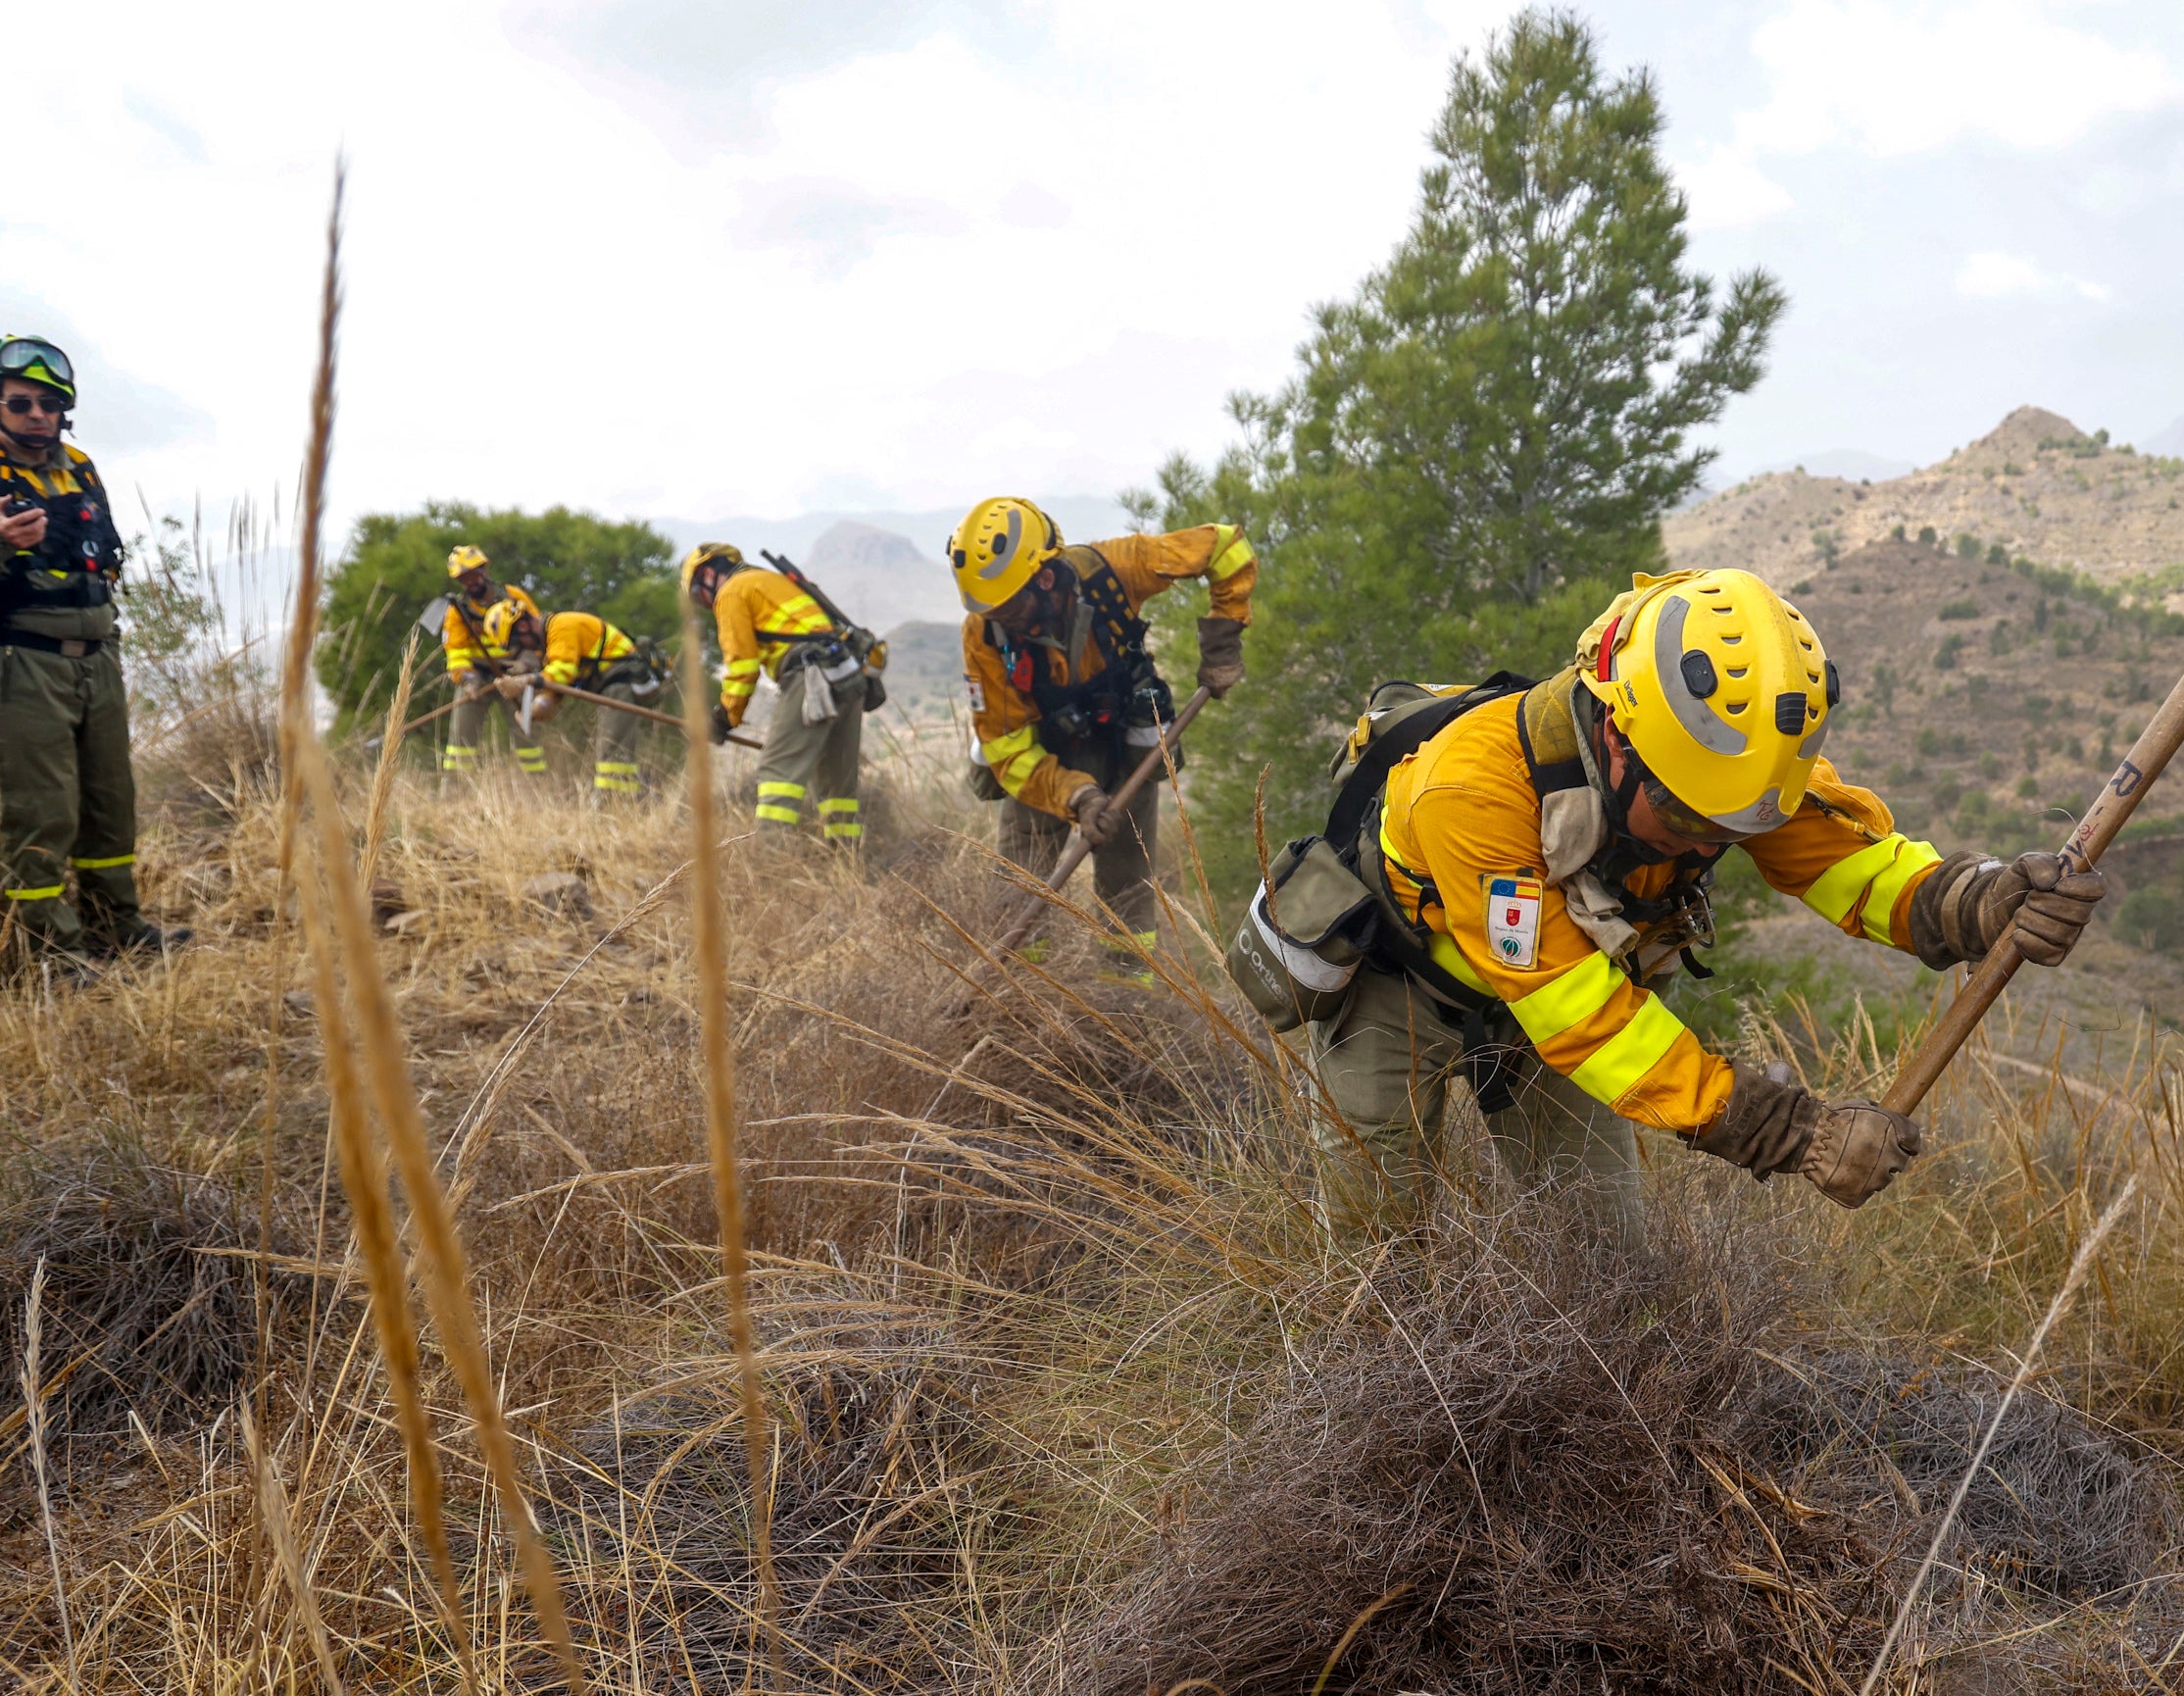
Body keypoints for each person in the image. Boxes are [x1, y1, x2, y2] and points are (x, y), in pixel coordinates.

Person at [1236, 567, 2105, 1230]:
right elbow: (1578, 1013)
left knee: (1604, 1250)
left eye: (1728, 828)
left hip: (1556, 995)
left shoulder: (1731, 761)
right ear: (1619, 737)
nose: (1706, 843)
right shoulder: (1472, 791)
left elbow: (1853, 867)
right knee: (1375, 1242)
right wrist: (1791, 1132)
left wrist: (1979, 903)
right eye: (1687, 817)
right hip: (1408, 987)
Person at [0, 334, 180, 961]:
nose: (36, 414)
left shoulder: (78, 467)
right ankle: (54, 953)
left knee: (110, 801)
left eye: (47, 403)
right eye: (21, 402)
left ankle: (119, 930)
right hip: (16, 659)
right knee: (42, 811)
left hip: (96, 658)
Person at [945, 498, 1252, 974]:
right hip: (1040, 747)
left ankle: (1125, 1004)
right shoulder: (984, 633)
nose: (999, 620)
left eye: (1010, 607)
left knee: (1127, 880)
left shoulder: (1117, 569)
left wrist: (1222, 642)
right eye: (989, 609)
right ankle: (1025, 994)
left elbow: (1226, 545)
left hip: (1120, 736)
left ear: (1045, 579)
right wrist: (1079, 796)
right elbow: (1007, 748)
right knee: (1020, 878)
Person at [680, 542, 883, 847]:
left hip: (811, 677)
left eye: (698, 595)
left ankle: (772, 861)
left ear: (708, 573)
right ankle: (845, 860)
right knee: (836, 783)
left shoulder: (732, 592)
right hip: (849, 677)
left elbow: (743, 668)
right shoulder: (770, 581)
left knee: (777, 770)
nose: (705, 603)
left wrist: (724, 718)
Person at [483, 603, 669, 800]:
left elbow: (564, 672)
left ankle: (609, 802)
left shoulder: (560, 626)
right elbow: (558, 686)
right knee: (615, 749)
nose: (522, 649)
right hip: (612, 686)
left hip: (620, 683)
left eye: (517, 644)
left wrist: (525, 681)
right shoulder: (550, 644)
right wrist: (533, 710)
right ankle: (640, 799)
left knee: (612, 750)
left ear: (522, 627)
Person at [438, 545, 545, 776]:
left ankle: (539, 790)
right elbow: (455, 651)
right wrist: (467, 679)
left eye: (474, 574)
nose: (471, 582)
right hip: (477, 677)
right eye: (464, 578)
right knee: (460, 741)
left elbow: (538, 634)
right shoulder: (458, 610)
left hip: (514, 673)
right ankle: (452, 796)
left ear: (484, 570)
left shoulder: (514, 597)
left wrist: (526, 664)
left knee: (527, 734)